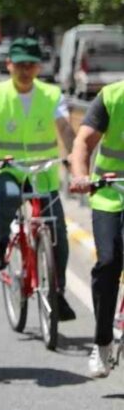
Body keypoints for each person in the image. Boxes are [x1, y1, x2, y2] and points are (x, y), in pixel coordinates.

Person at [0, 37, 76, 321]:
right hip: (5, 169)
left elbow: (65, 128)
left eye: (30, 65)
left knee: (58, 234)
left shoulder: (51, 94)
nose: (25, 70)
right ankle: (0, 242)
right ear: (8, 64)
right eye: (19, 64)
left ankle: (58, 292)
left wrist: (73, 157)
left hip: (42, 173)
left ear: (38, 67)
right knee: (9, 196)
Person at [70, 80, 124, 376]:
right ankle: (102, 342)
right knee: (109, 262)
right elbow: (83, 142)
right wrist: (80, 175)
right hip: (109, 194)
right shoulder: (112, 96)